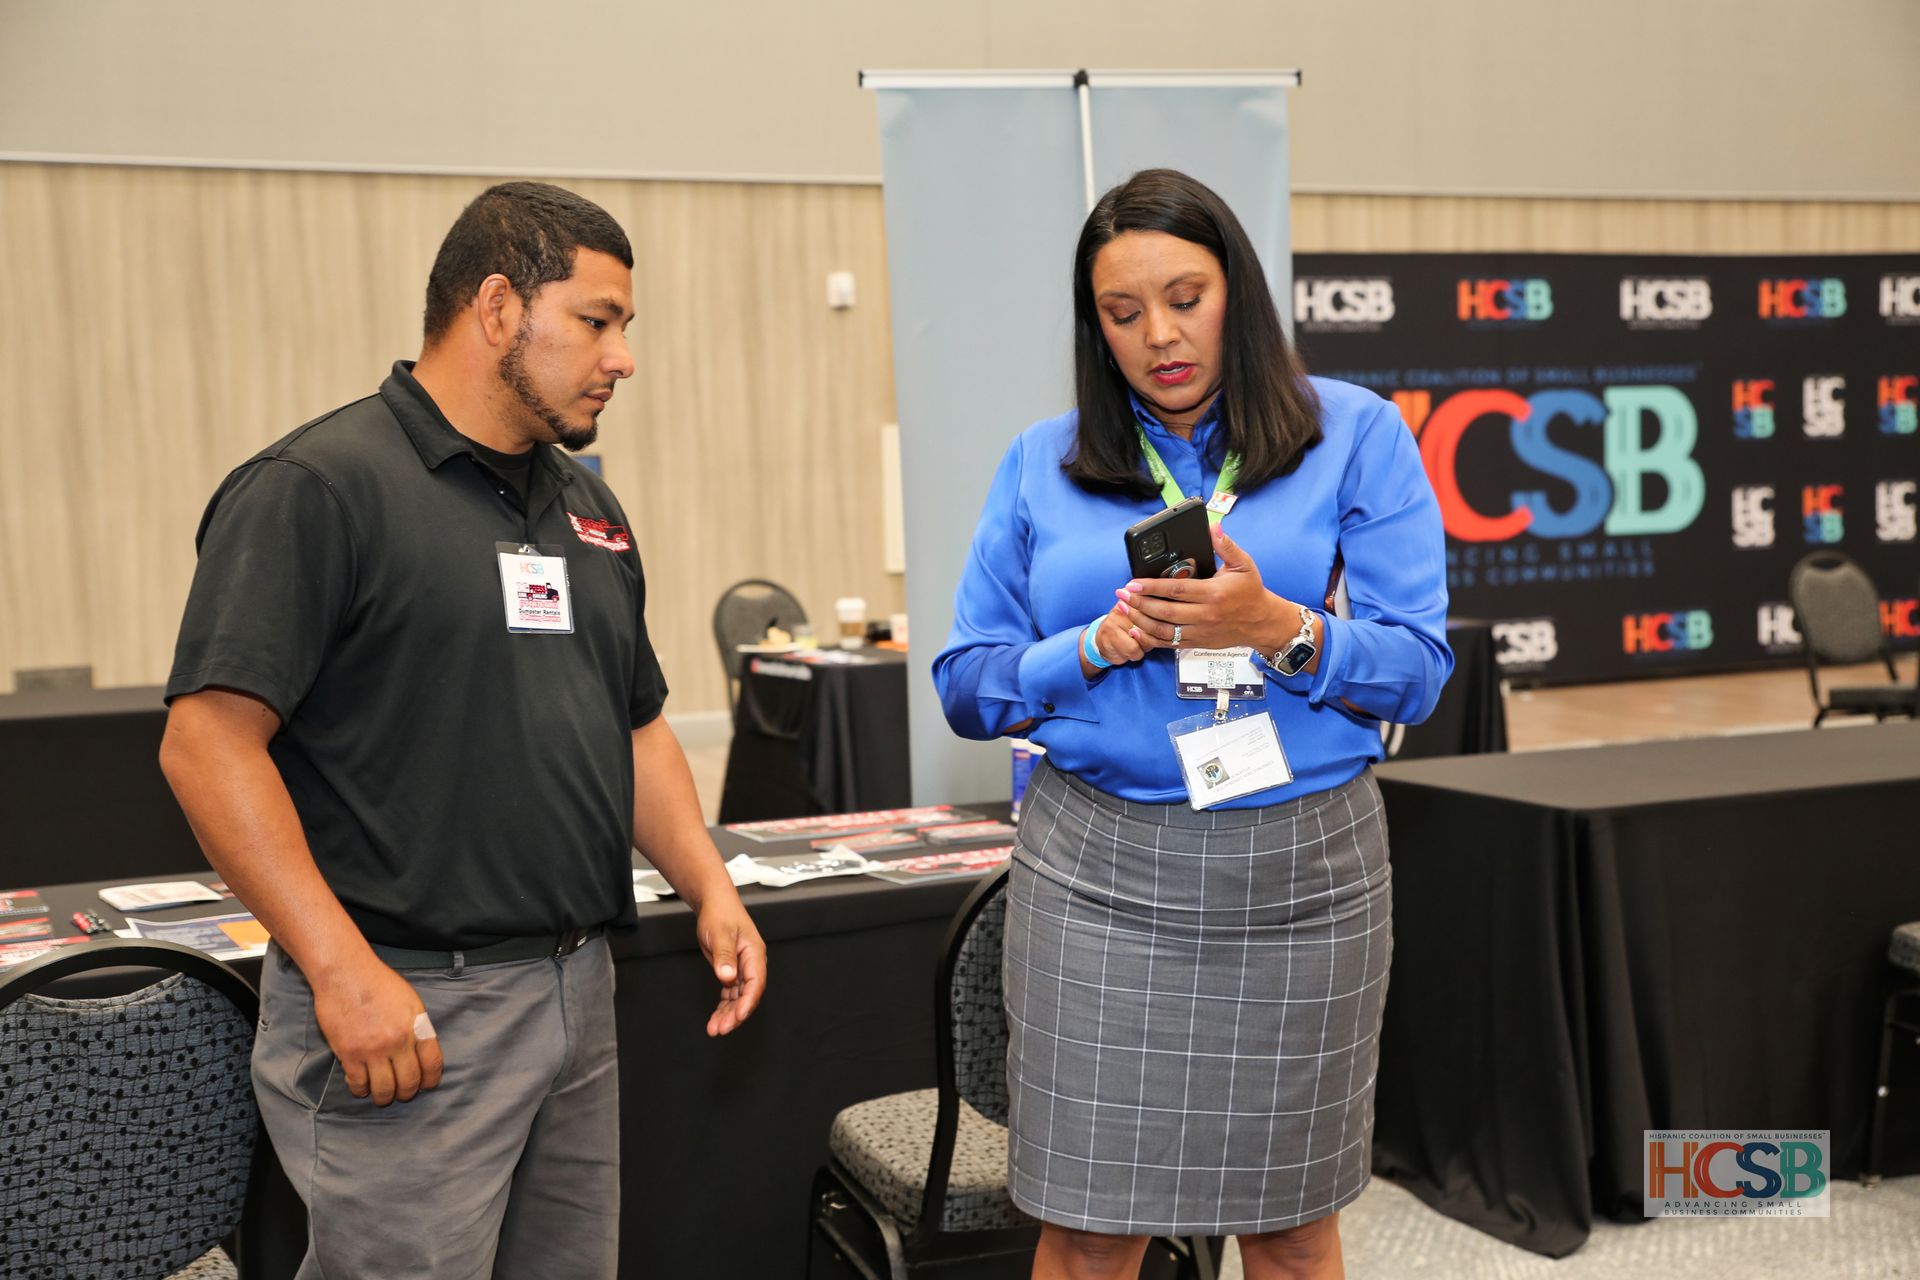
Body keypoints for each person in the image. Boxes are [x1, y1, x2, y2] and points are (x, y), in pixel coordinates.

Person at [159, 181, 766, 1278]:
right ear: (496, 307)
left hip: (578, 988)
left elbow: (635, 728)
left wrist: (710, 884)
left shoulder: (587, 506)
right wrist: (339, 969)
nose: (621, 356)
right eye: (597, 320)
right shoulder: (319, 488)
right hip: (407, 1002)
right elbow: (207, 745)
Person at [934, 169, 1450, 1279]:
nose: (1160, 335)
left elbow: (1417, 672)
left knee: (1294, 1225)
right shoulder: (1042, 459)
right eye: (1124, 313)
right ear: (1096, 328)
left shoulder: (1353, 433)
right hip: (1098, 877)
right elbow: (967, 684)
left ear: (1239, 294)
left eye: (1186, 297)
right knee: (1088, 1226)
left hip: (1306, 872)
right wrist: (1092, 647)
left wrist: (1282, 626)